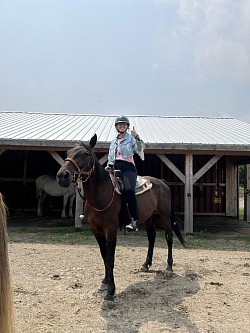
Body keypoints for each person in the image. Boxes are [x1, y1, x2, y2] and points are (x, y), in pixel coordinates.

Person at [105, 115, 145, 231]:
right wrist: (109, 165)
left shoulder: (131, 138)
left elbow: (141, 149)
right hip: (114, 166)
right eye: (119, 124)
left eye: (124, 124)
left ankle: (134, 219)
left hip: (128, 168)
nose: (121, 126)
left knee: (128, 190)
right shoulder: (113, 141)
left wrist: (136, 136)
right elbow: (110, 156)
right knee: (101, 184)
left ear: (127, 126)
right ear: (116, 127)